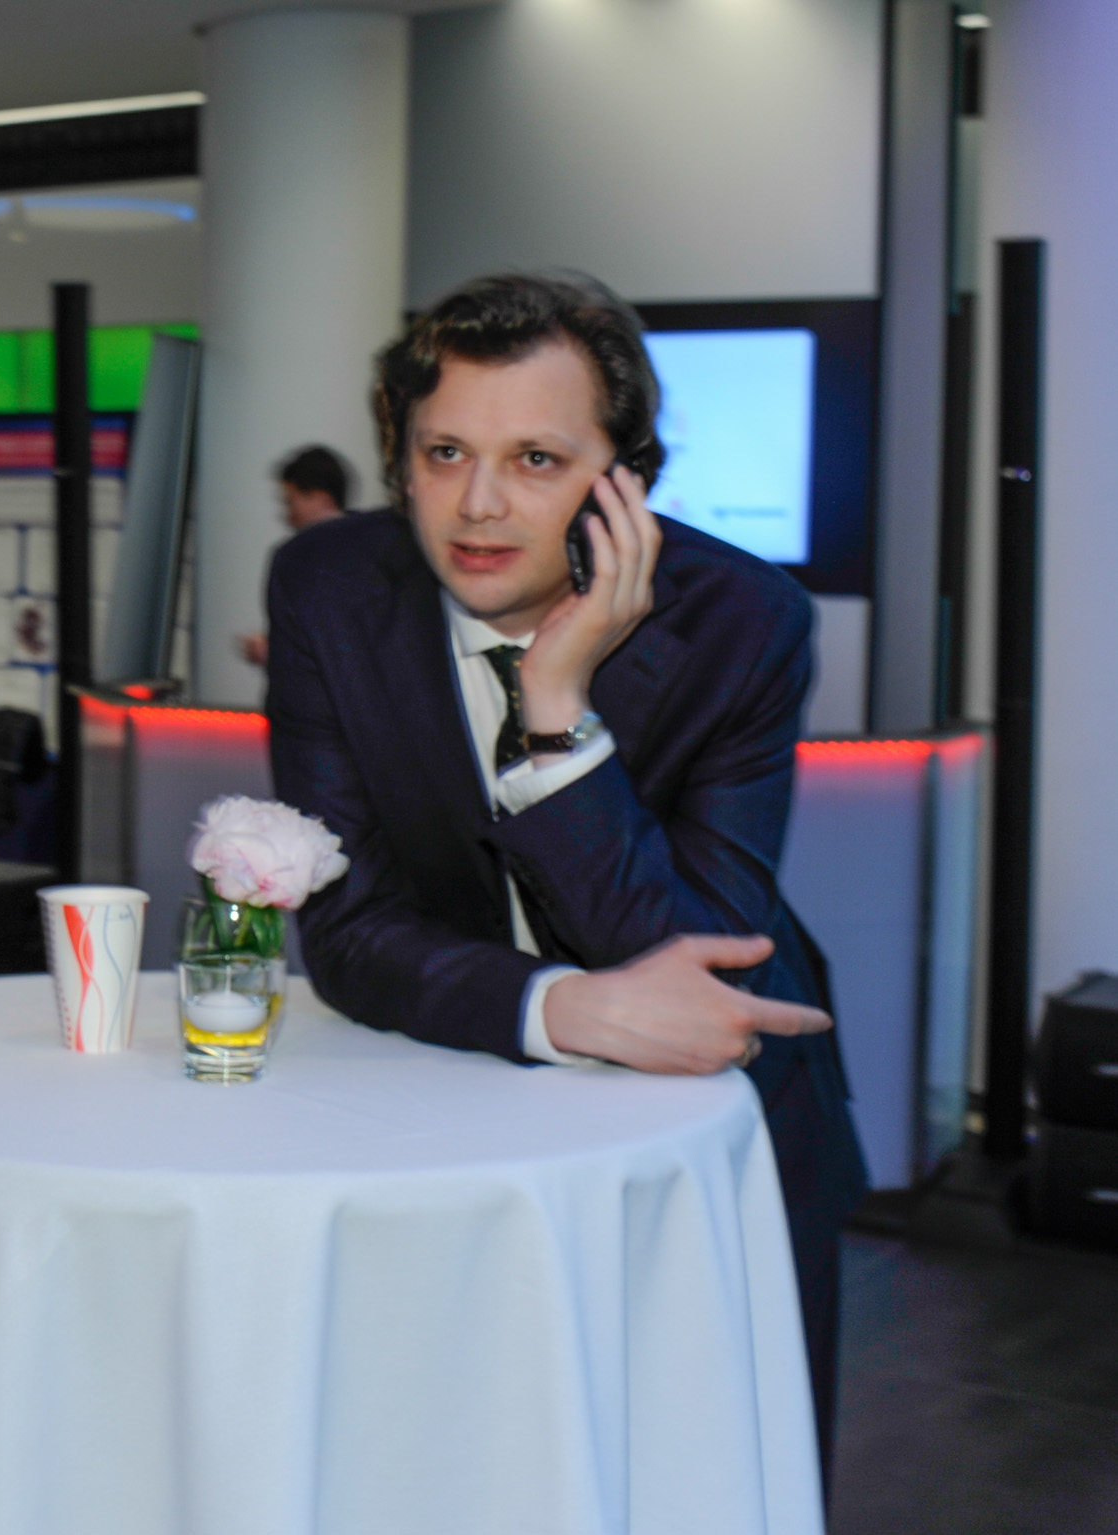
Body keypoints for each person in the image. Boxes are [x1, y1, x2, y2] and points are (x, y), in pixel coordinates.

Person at [265, 273, 866, 1476]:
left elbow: (692, 957)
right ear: (399, 457)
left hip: (714, 1121)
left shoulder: (742, 619)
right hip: (463, 1096)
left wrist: (555, 714)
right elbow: (347, 928)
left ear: (621, 478)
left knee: (714, 1471)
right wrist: (564, 1008)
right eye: (444, 452)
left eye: (536, 459)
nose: (478, 504)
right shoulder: (329, 586)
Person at [237, 444, 355, 668]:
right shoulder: (379, 550)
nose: (287, 517)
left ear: (320, 497)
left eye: (291, 502)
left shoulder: (299, 561)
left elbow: (332, 645)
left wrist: (275, 653)